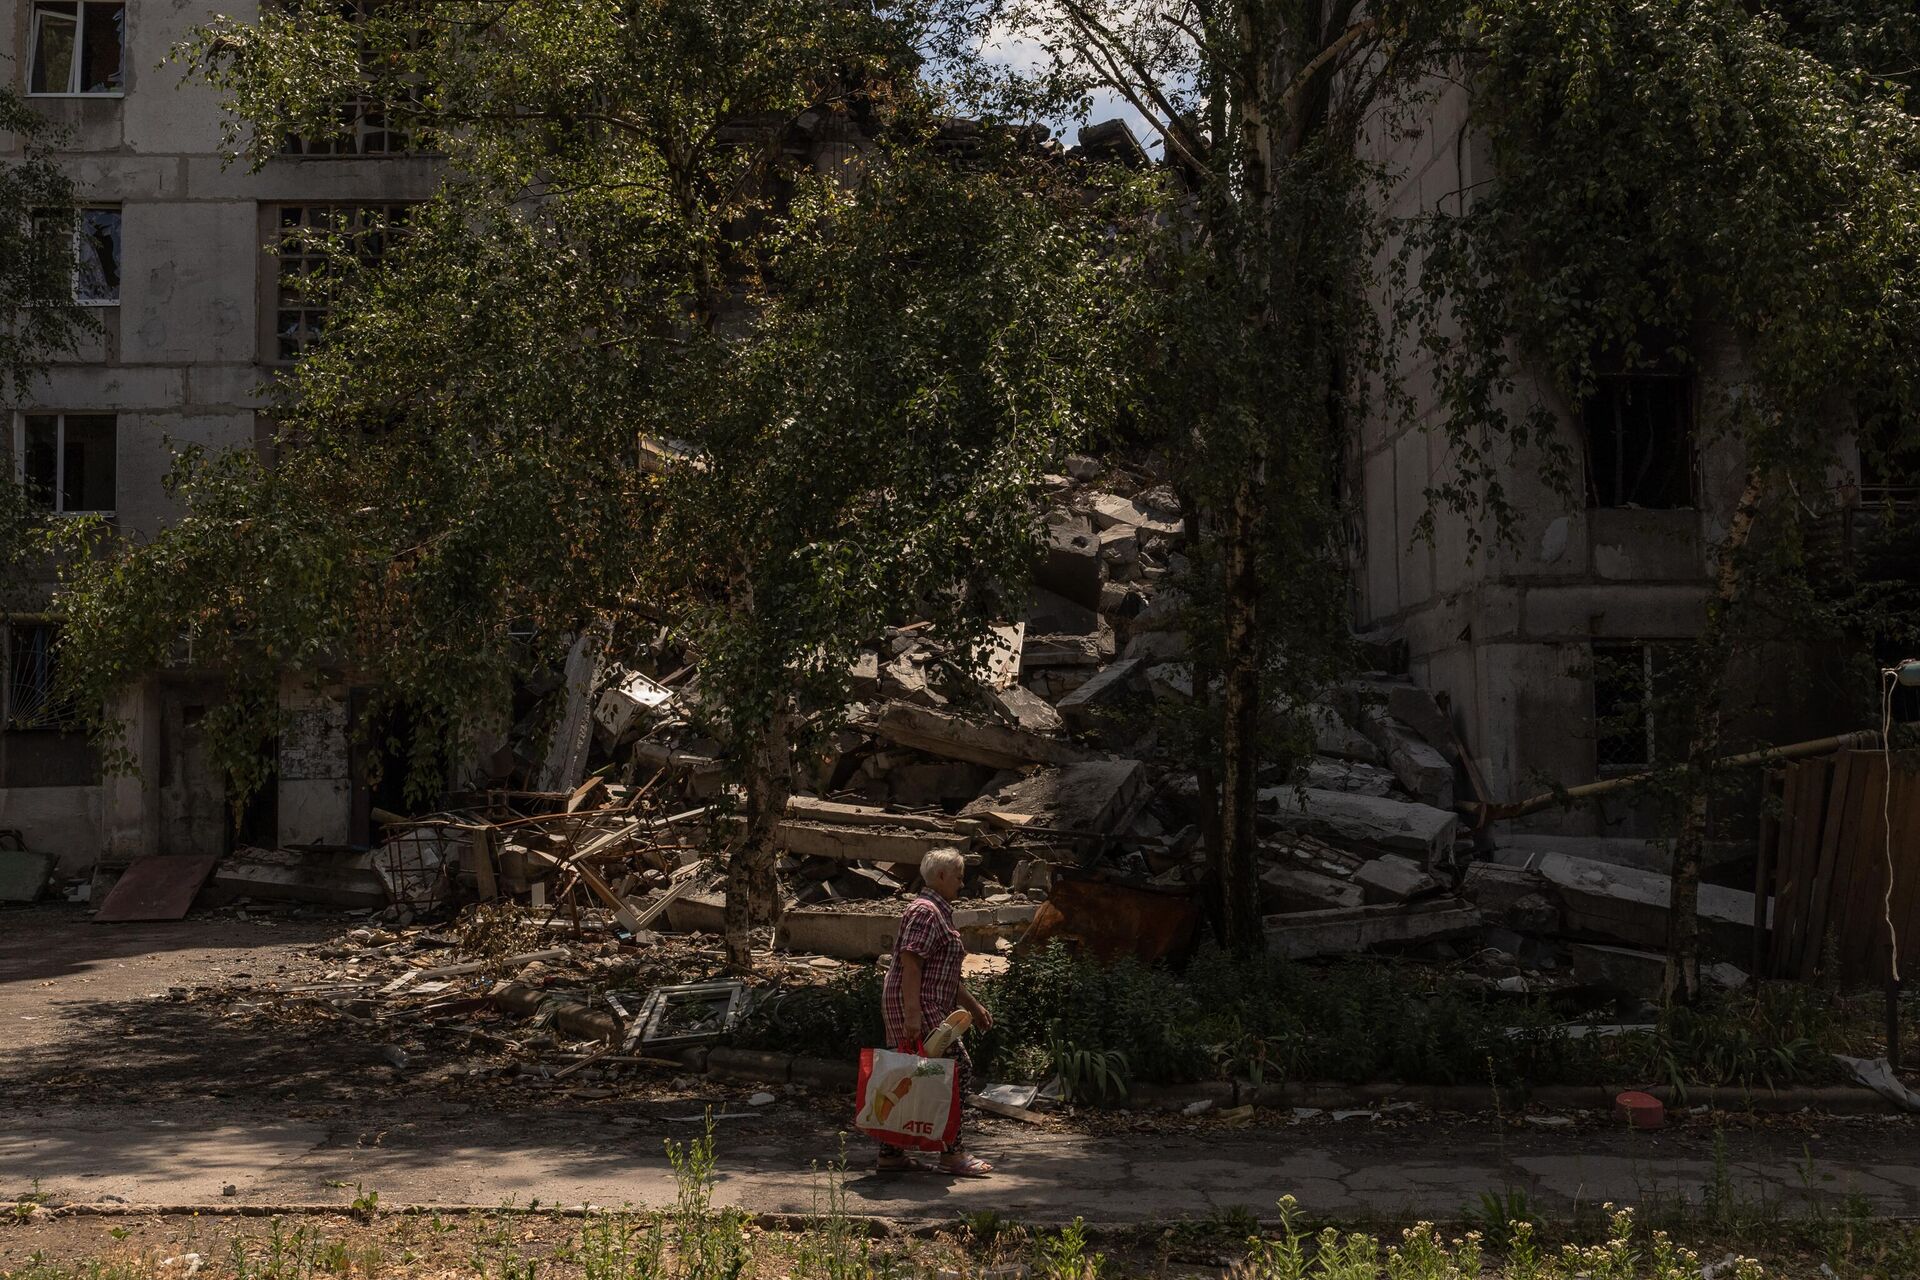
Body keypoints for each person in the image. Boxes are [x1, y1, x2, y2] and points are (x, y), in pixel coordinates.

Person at [877, 845, 994, 1176]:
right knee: (957, 1071)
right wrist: (913, 1015)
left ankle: (891, 1155)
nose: (961, 882)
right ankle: (952, 1154)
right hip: (920, 1007)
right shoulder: (927, 911)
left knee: (906, 1075)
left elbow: (941, 973)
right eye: (958, 876)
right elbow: (911, 963)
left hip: (927, 1006)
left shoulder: (937, 911)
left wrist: (973, 1006)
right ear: (941, 876)